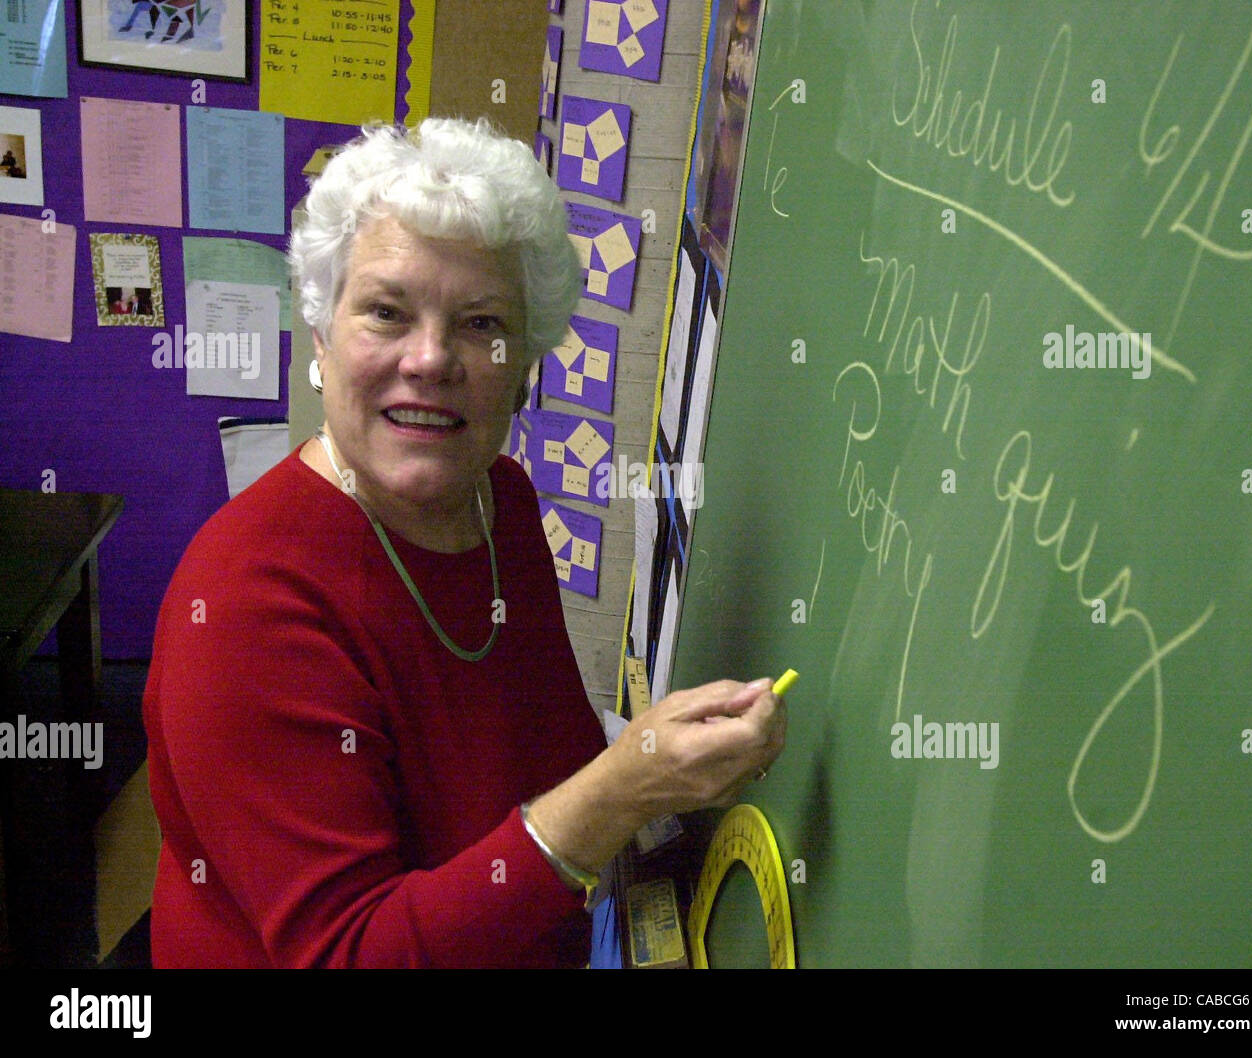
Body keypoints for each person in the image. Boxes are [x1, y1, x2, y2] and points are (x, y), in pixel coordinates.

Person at [143, 116, 786, 968]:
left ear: (523, 362)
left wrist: (659, 781)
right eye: (386, 312)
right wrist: (628, 786)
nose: (431, 359)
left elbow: (549, 755)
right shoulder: (243, 602)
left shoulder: (499, 504)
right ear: (323, 336)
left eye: (481, 324)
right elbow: (353, 954)